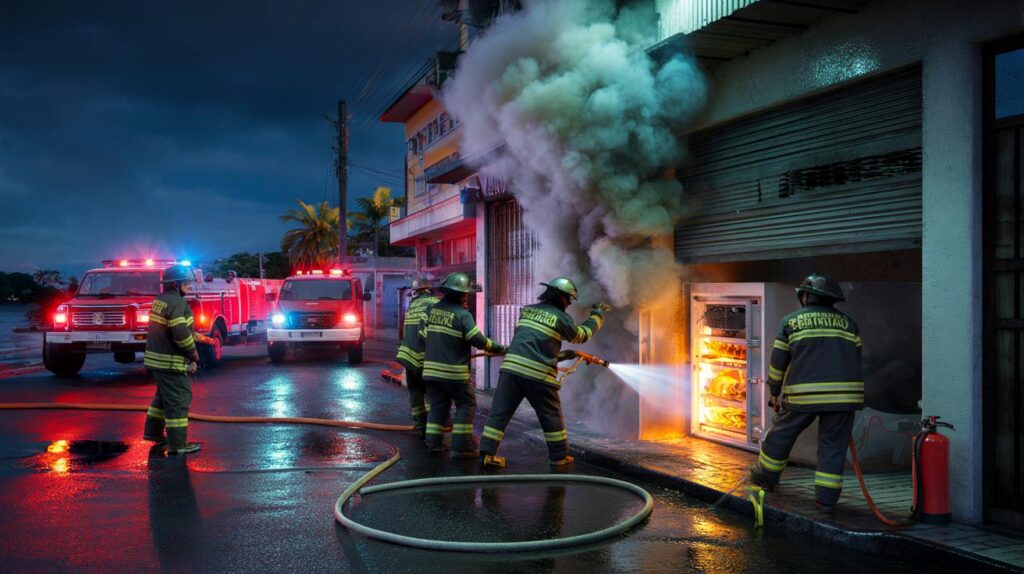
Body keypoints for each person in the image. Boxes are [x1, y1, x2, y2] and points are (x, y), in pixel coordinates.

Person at [749, 273, 864, 513]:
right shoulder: (850, 324)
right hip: (845, 398)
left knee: (781, 434)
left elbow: (778, 361)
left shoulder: (791, 321)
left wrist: (774, 391)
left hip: (804, 396)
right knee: (833, 447)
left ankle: (766, 477)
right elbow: (856, 359)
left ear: (806, 296)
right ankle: (826, 502)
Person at [480, 277, 608, 468]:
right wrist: (597, 316)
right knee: (551, 416)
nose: (569, 304)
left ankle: (487, 454)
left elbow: (535, 344)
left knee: (499, 413)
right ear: (561, 297)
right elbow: (581, 336)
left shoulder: (527, 310)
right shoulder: (562, 318)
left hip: (510, 371)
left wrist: (565, 355)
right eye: (569, 299)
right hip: (538, 376)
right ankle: (559, 457)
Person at [420, 272, 505, 457]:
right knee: (466, 402)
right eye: (465, 294)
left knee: (438, 405)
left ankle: (433, 443)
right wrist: (500, 348)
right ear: (459, 294)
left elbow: (422, 334)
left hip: (430, 371)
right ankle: (461, 446)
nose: (467, 297)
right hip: (453, 373)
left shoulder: (430, 310)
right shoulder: (462, 315)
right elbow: (478, 340)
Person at [142, 264, 202, 455]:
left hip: (157, 360)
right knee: (179, 399)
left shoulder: (160, 300)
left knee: (163, 397)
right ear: (175, 284)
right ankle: (178, 445)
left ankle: (153, 433)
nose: (189, 286)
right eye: (186, 282)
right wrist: (192, 352)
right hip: (170, 362)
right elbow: (180, 332)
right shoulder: (177, 303)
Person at [395, 277, 439, 436]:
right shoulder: (435, 303)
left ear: (416, 292)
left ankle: (420, 424)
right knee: (433, 393)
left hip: (408, 356)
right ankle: (433, 427)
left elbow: (405, 331)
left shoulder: (412, 306)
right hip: (425, 357)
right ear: (429, 290)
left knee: (415, 391)